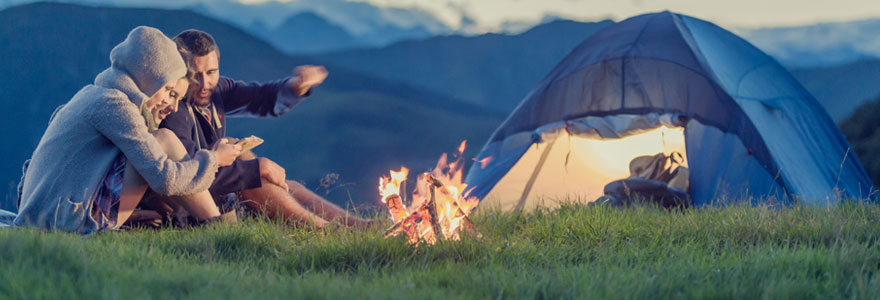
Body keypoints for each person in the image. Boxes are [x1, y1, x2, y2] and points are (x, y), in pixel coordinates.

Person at [14, 26, 241, 234]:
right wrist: (213, 159)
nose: (173, 106)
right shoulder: (115, 104)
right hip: (68, 222)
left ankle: (204, 222)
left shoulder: (92, 95)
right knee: (163, 140)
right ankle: (220, 229)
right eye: (170, 92)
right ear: (148, 78)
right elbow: (164, 178)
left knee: (157, 144)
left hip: (48, 215)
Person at [158, 29, 371, 228]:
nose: (204, 83)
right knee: (253, 176)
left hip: (216, 188)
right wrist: (256, 168)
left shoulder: (217, 90)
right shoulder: (173, 110)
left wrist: (296, 86)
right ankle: (330, 232)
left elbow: (259, 98)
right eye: (195, 74)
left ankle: (360, 226)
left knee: (287, 186)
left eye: (211, 72)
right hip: (192, 206)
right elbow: (187, 176)